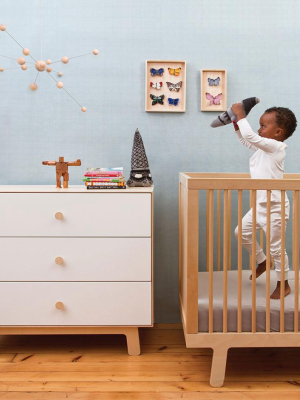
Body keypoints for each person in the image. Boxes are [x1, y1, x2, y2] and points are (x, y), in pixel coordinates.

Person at [232, 103, 297, 299]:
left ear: (278, 132)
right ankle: (262, 260)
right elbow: (247, 141)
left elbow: (251, 137)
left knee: (277, 247)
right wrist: (236, 126)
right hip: (260, 205)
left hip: (274, 207)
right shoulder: (264, 148)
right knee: (241, 233)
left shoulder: (276, 148)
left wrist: (241, 114)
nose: (259, 129)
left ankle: (283, 284)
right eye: (259, 125)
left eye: (263, 126)